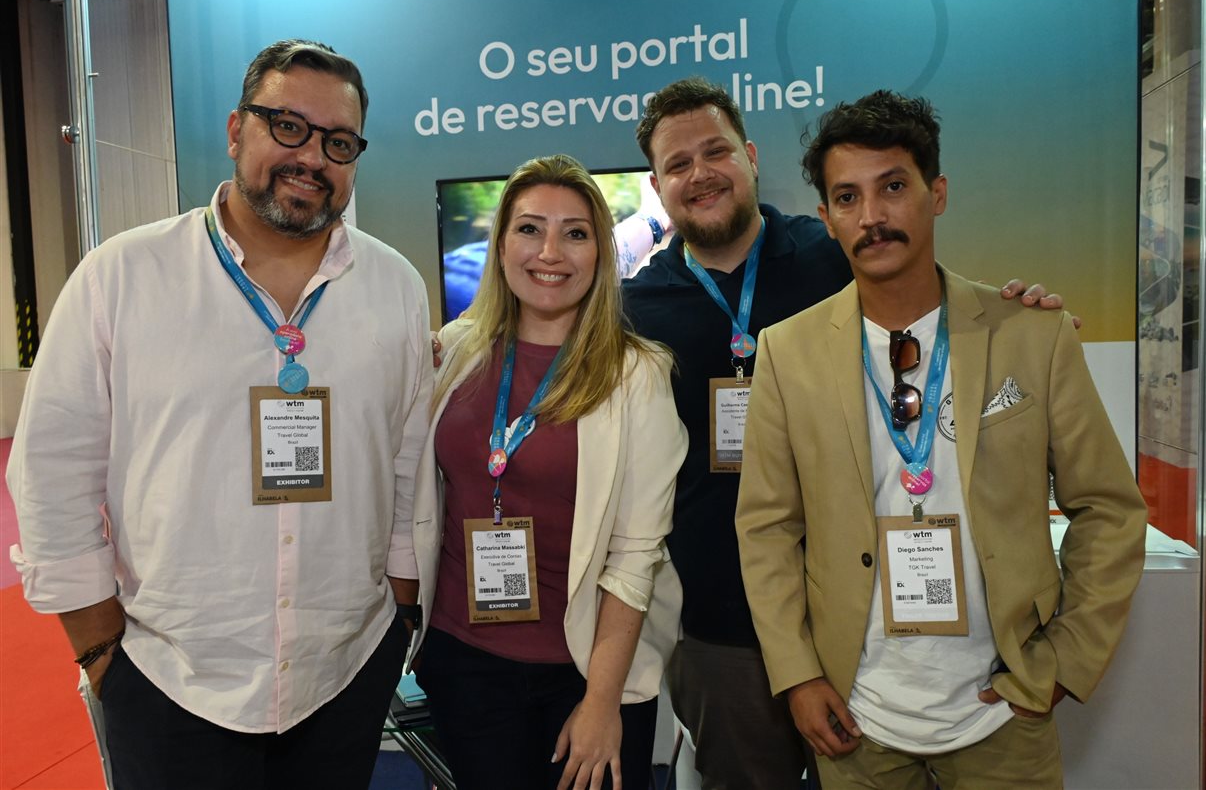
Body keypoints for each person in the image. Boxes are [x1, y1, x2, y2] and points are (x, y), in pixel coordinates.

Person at [621, 76, 1068, 789]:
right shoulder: (634, 309)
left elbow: (945, 314)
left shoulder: (833, 253)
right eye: (678, 164)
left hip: (871, 619)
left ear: (750, 156)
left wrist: (1022, 314)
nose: (700, 173)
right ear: (656, 185)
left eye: (716, 151)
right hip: (722, 623)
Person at [6, 39, 432, 789]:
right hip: (169, 676)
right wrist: (99, 648)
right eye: (287, 126)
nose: (311, 157)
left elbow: (407, 457)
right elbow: (52, 469)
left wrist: (399, 610)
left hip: (345, 671)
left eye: (338, 142)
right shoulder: (122, 277)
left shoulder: (394, 284)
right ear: (237, 130)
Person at [735, 89, 1147, 788]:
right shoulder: (787, 351)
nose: (872, 216)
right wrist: (798, 674)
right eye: (847, 197)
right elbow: (767, 527)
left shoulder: (1032, 334)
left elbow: (1109, 509)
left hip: (1003, 712)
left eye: (893, 187)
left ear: (938, 194)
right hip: (855, 718)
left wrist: (1062, 664)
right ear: (827, 218)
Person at [406, 153, 687, 790]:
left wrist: (602, 702)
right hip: (464, 661)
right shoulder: (454, 352)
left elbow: (636, 555)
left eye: (575, 233)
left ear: (601, 252)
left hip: (585, 669)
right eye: (530, 229)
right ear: (501, 244)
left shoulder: (638, 375)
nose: (550, 252)